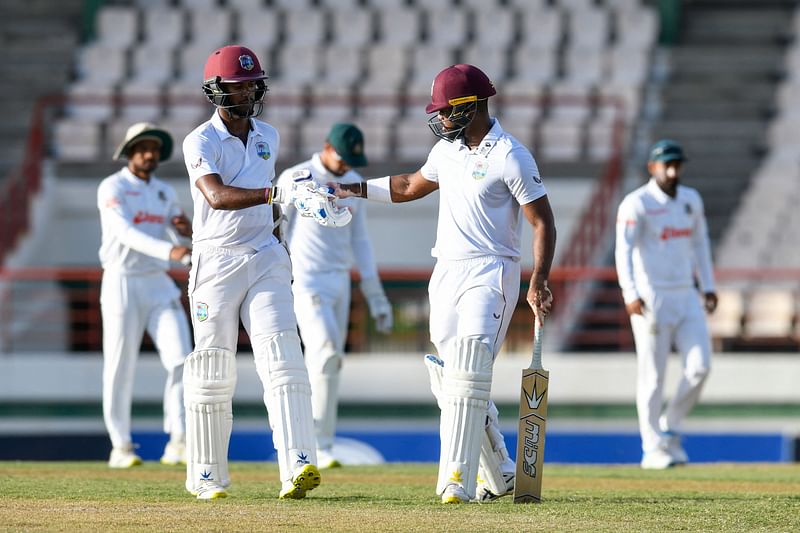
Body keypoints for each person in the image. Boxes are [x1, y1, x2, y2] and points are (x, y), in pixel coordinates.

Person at [333, 64, 556, 503]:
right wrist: (351, 189)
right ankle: (504, 471)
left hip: (491, 270)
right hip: (446, 272)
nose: (440, 120)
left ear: (471, 106)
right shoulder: (446, 150)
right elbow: (410, 185)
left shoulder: (510, 155)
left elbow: (542, 221)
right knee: (456, 379)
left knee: (470, 367)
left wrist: (539, 280)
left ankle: (456, 479)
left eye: (447, 111)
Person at [181, 44, 348, 500]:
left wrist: (286, 227)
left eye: (255, 82)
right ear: (217, 91)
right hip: (215, 261)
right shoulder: (200, 141)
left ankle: (298, 463)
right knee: (214, 370)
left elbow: (273, 203)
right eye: (240, 84)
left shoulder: (267, 135)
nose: (251, 90)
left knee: (284, 358)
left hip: (264, 255)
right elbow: (215, 196)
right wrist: (278, 195)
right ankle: (206, 475)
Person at [277, 123, 393, 469]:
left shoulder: (353, 181)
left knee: (332, 362)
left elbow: (360, 240)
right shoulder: (297, 176)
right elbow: (278, 226)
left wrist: (376, 297)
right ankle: (307, 441)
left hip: (339, 281)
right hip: (306, 279)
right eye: (342, 158)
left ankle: (320, 444)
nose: (345, 166)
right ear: (327, 147)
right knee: (324, 353)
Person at [614, 139, 718, 470]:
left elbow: (700, 243)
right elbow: (623, 251)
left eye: (677, 165)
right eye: (666, 165)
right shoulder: (637, 203)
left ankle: (670, 427)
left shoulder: (690, 200)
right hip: (651, 297)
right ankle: (652, 447)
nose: (673, 172)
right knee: (653, 377)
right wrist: (630, 293)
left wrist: (709, 285)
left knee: (700, 366)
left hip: (686, 293)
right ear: (652, 167)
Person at [97, 122, 193, 469]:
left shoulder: (165, 192)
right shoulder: (113, 187)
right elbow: (124, 233)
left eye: (154, 148)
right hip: (121, 281)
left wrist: (187, 233)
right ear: (129, 152)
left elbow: (182, 236)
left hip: (156, 282)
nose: (149, 154)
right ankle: (121, 446)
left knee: (182, 358)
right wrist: (172, 251)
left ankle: (179, 441)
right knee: (120, 366)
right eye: (142, 148)